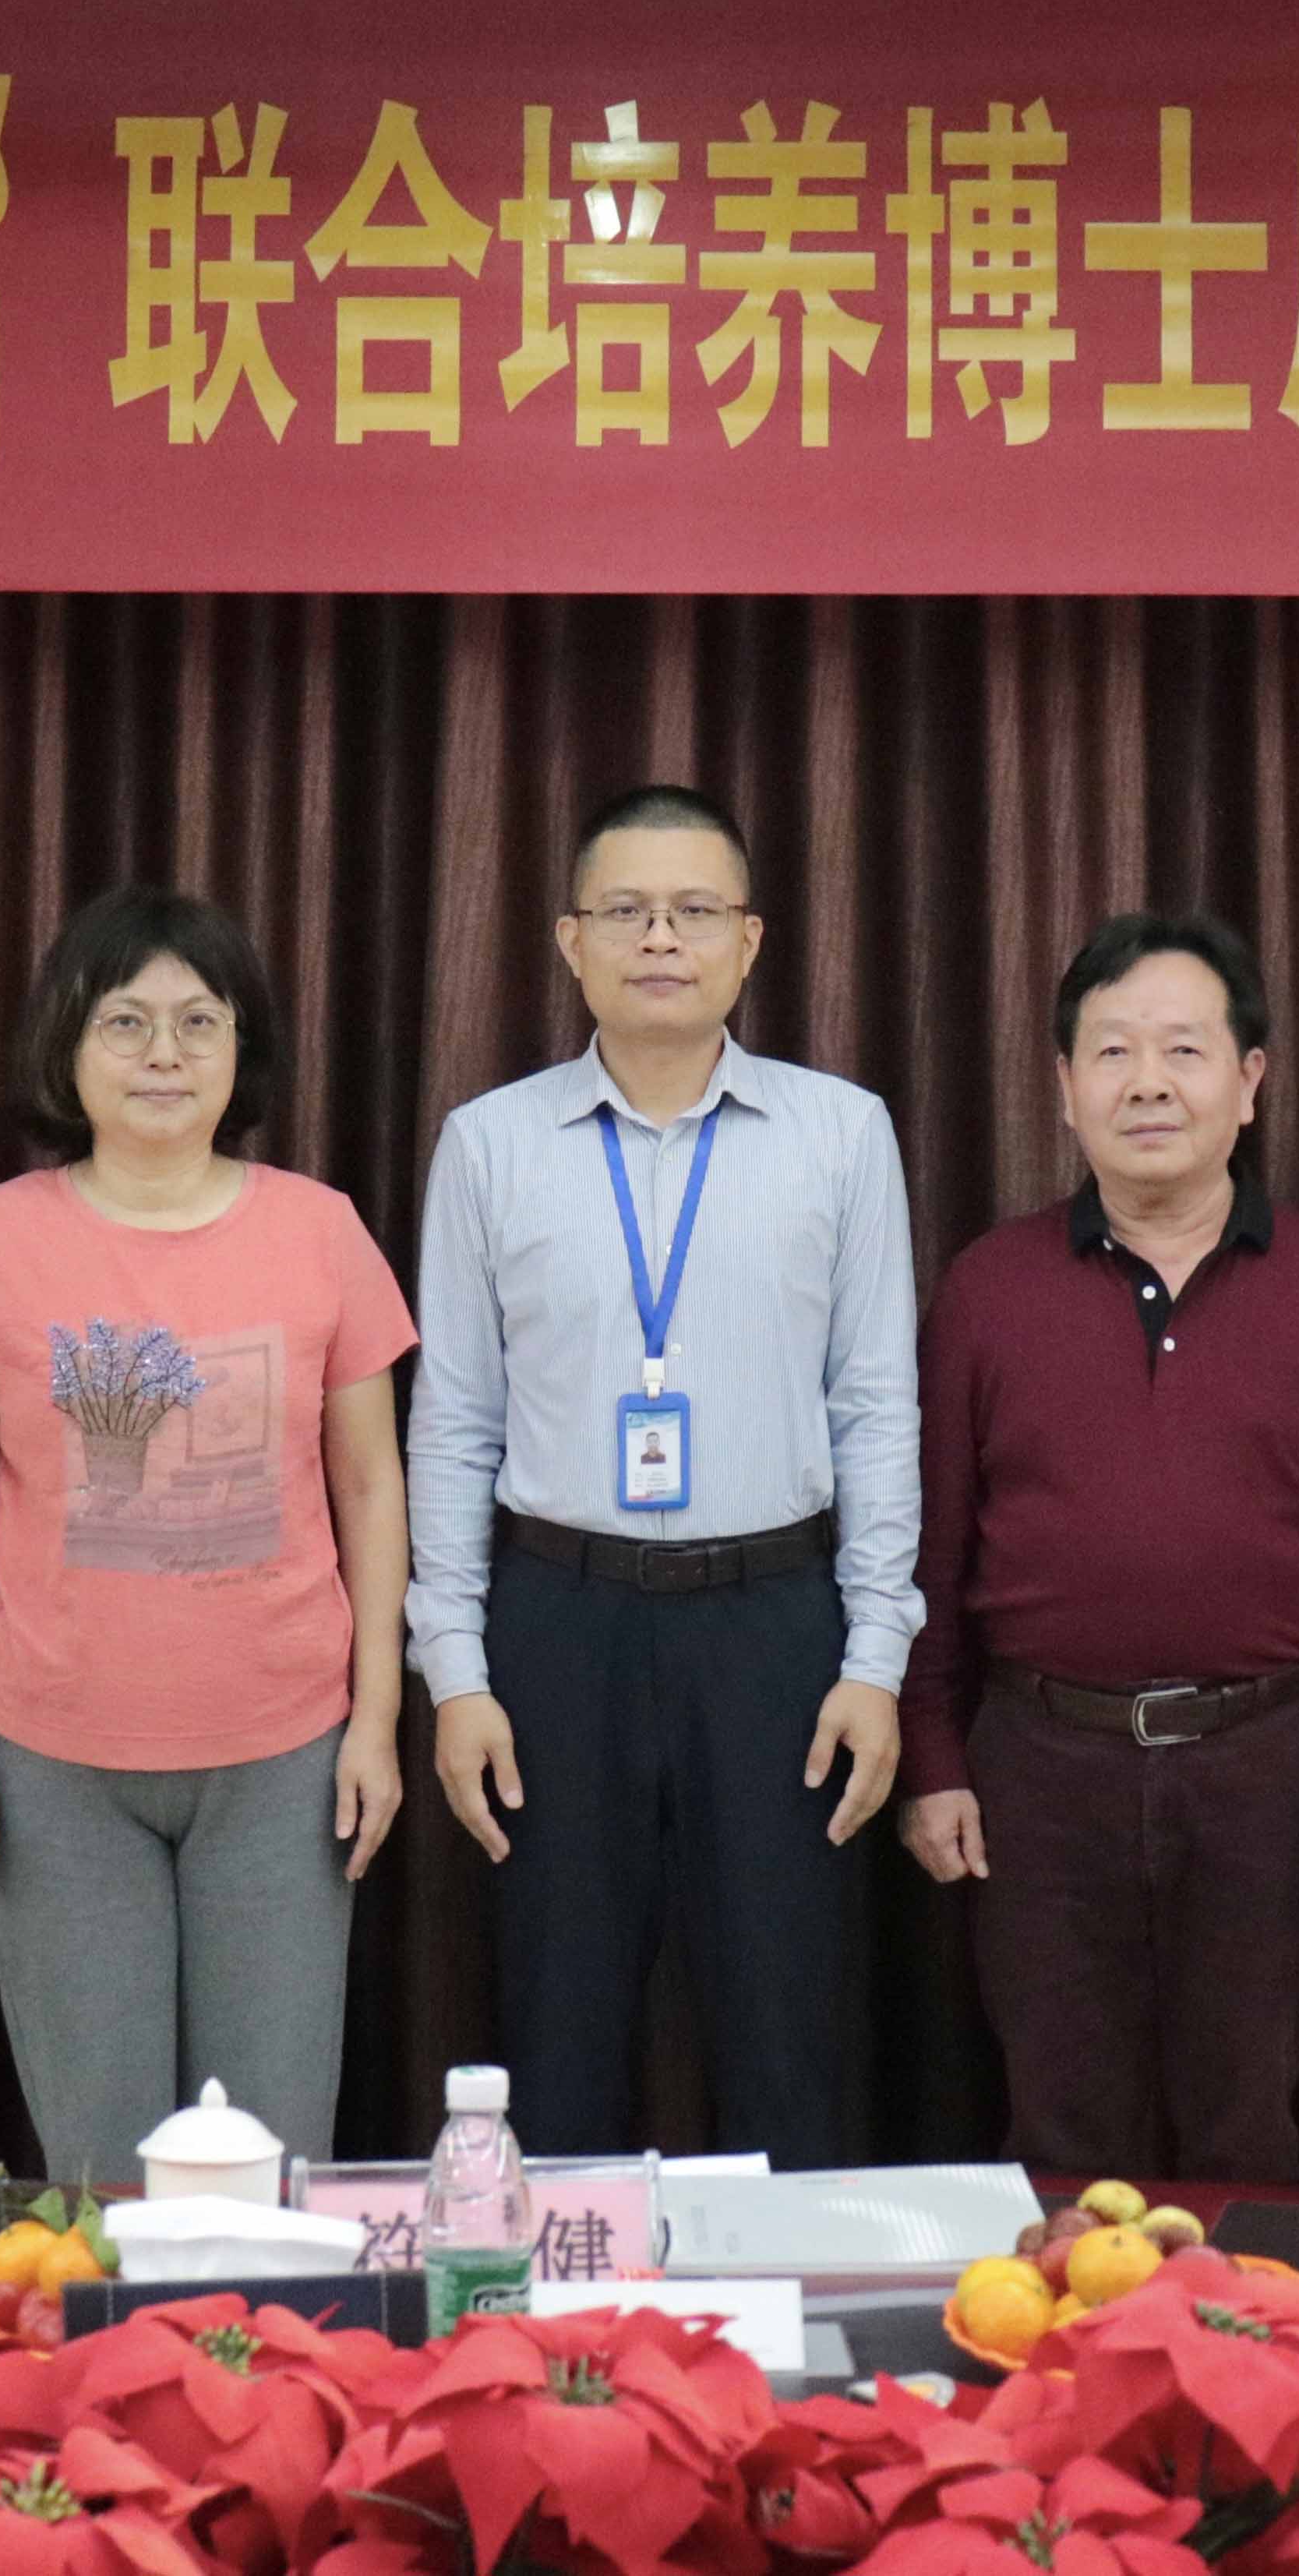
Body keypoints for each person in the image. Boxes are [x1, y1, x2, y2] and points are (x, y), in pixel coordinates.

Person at [407, 784, 920, 2165]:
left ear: (749, 942)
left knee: (787, 2036)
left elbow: (876, 1406)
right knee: (557, 2039)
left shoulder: (842, 1132)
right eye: (626, 909)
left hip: (777, 1622)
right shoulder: (490, 1142)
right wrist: (456, 1671)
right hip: (557, 1621)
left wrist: (875, 1656)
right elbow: (452, 1423)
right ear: (570, 941)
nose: (660, 938)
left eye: (695, 910)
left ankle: (790, 2308)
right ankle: (553, 2302)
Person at [898, 912, 1299, 2181]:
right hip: (1038, 1770)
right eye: (1114, 1051)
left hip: (1269, 1771)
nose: (1148, 1082)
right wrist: (932, 1751)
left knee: (1248, 2138)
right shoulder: (989, 1289)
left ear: (1250, 1080)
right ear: (1064, 1085)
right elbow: (924, 1545)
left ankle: (1236, 2326)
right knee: (1056, 2137)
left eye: (1185, 1050)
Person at [0, 888, 415, 2180]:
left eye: (198, 1020)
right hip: (53, 1765)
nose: (164, 1053)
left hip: (284, 1759)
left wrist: (375, 1722)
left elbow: (371, 1486)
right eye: (125, 1022)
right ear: (68, 1047)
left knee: (272, 2163)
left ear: (243, 1047)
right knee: (102, 2172)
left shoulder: (321, 1228)